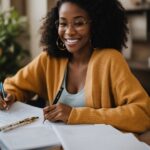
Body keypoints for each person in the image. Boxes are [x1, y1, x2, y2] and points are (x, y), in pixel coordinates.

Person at [0, 0, 150, 144]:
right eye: (63, 23)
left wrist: (74, 115)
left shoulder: (110, 59)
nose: (69, 32)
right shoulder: (49, 59)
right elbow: (13, 86)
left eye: (78, 23)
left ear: (95, 24)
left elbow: (142, 113)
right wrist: (9, 95)